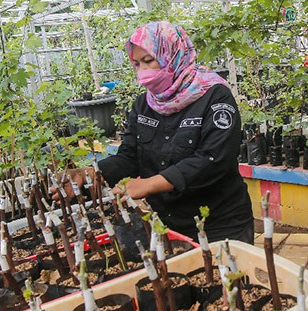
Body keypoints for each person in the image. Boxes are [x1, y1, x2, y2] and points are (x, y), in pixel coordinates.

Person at [97, 21, 254, 244]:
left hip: (219, 222)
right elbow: (129, 156)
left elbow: (213, 159)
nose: (143, 71)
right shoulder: (144, 105)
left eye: (149, 61)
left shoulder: (214, 96)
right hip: (166, 223)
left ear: (171, 54)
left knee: (227, 277)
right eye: (137, 64)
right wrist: (93, 174)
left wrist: (149, 184)